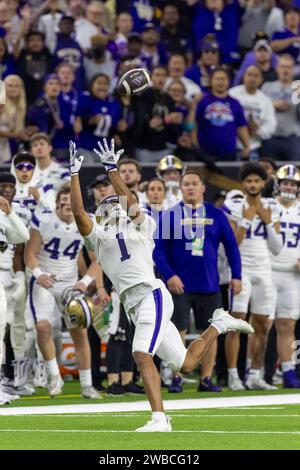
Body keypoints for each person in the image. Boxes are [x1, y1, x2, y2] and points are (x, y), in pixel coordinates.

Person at [69, 137, 253, 432]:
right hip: (133, 304)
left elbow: (129, 203)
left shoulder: (144, 227)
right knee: (186, 364)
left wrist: (112, 170)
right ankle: (219, 323)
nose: (110, 208)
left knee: (141, 354)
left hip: (151, 295)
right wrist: (75, 175)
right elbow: (79, 213)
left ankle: (159, 419)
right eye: (105, 207)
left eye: (114, 204)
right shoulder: (99, 239)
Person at [153, 170, 243, 392]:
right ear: (180, 188)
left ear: (203, 188)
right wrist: (170, 275)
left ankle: (206, 378)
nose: (190, 187)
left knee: (209, 332)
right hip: (179, 285)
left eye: (195, 184)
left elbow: (232, 247)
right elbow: (158, 252)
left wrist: (237, 276)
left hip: (209, 284)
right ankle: (177, 377)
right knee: (178, 333)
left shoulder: (217, 215)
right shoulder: (169, 215)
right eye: (186, 184)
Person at [24, 184, 101, 399]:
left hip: (70, 284)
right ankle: (54, 376)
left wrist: (85, 281)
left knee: (80, 332)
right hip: (44, 281)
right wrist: (39, 274)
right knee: (42, 327)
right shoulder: (45, 220)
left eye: (71, 200)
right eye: (64, 200)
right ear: (57, 202)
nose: (68, 203)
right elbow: (30, 254)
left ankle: (86, 385)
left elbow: (98, 261)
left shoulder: (86, 222)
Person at [224, 162, 283, 391]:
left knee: (262, 324)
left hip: (264, 269)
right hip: (241, 270)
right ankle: (232, 375)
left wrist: (267, 221)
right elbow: (232, 244)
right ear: (243, 183)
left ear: (263, 182)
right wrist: (247, 219)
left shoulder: (271, 207)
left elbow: (277, 248)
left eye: (256, 181)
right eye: (248, 181)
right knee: (237, 322)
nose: (252, 184)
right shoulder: (234, 205)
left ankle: (254, 374)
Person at [0, 172, 30, 403]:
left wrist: (9, 213)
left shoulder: (5, 214)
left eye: (11, 186)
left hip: (3, 276)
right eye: (3, 186)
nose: (7, 190)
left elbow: (22, 235)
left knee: (1, 332)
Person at [271, 164, 300, 388]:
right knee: (261, 323)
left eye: (293, 183)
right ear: (278, 185)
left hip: (292, 274)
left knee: (287, 324)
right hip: (268, 271)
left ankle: (288, 371)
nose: (289, 187)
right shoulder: (268, 207)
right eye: (286, 183)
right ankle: (255, 369)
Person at [229, 65, 277, 160]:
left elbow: (271, 125)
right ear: (244, 77)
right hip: (232, 144)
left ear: (261, 80)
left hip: (253, 147)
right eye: (249, 75)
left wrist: (258, 131)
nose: (252, 78)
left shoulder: (265, 100)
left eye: (256, 76)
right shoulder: (232, 94)